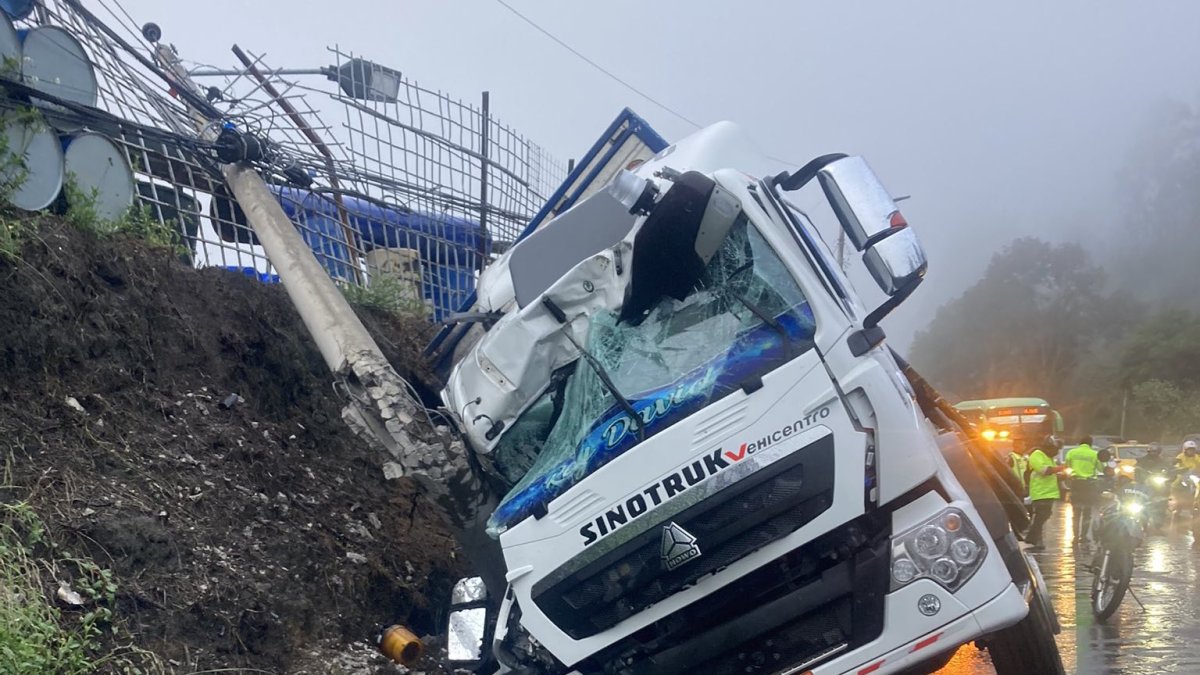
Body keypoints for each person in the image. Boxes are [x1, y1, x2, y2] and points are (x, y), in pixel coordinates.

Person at [1025, 435, 1066, 550]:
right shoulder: (1037, 455)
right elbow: (1045, 471)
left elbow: (1052, 474)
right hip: (1040, 492)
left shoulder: (1049, 458)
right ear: (1048, 447)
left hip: (1049, 492)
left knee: (1044, 515)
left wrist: (1062, 476)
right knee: (1041, 515)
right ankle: (1031, 538)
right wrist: (1061, 468)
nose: (1057, 452)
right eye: (1055, 449)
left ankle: (1036, 539)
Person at [1065, 435, 1103, 546]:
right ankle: (1084, 536)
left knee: (1076, 513)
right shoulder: (1094, 454)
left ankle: (1075, 537)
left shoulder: (1071, 452)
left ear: (1080, 443)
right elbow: (1100, 468)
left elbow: (1067, 466)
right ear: (1090, 444)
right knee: (1087, 512)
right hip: (1089, 485)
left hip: (1076, 484)